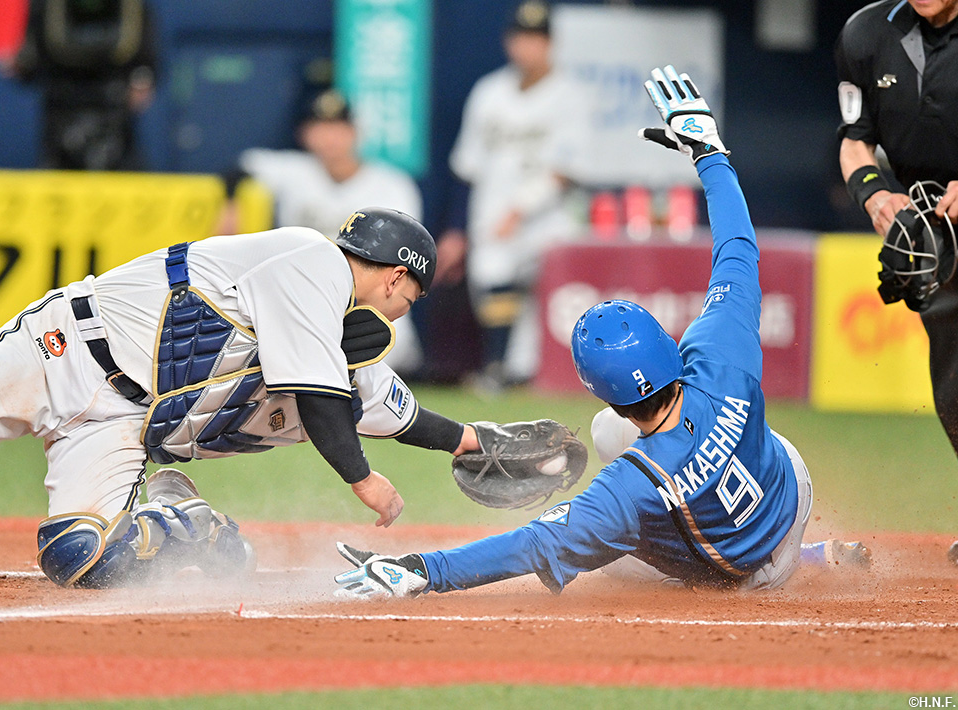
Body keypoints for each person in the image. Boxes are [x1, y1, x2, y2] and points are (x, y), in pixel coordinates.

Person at [333, 66, 870, 600]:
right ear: (667, 343)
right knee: (703, 440)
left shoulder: (630, 486)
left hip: (745, 574)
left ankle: (802, 562)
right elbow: (737, 249)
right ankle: (802, 547)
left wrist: (421, 569)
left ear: (605, 393)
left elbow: (532, 544)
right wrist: (710, 154)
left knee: (603, 545)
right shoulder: (719, 353)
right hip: (790, 491)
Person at [0, 207, 483, 589]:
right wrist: (363, 480)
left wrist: (473, 441)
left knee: (80, 557)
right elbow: (320, 398)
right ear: (396, 277)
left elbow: (392, 410)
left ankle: (188, 526)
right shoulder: (313, 260)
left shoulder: (325, 330)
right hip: (65, 348)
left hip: (118, 423)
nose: (399, 314)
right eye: (408, 301)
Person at [835, 0, 958, 564]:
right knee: (954, 387)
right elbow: (855, 137)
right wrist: (873, 191)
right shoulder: (865, 35)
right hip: (938, 238)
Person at [217, 87, 424, 373]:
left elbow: (405, 263)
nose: (329, 138)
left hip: (368, 306)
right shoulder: (293, 171)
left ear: (355, 132)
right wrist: (230, 207)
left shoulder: (392, 185)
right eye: (320, 129)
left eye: (338, 129)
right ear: (305, 135)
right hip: (306, 302)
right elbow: (238, 168)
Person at [448, 0, 586, 389]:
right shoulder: (488, 92)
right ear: (510, 42)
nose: (528, 47)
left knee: (544, 305)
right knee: (493, 284)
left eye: (536, 38)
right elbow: (467, 165)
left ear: (550, 43)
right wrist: (457, 229)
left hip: (549, 218)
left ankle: (519, 374)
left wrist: (520, 208)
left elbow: (565, 172)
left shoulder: (570, 95)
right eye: (521, 38)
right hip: (491, 213)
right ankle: (502, 373)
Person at [11, 0, 156, 170]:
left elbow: (145, 58)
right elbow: (29, 63)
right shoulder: (44, 7)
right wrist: (22, 64)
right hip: (62, 104)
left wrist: (142, 78)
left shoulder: (132, 8)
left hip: (115, 107)